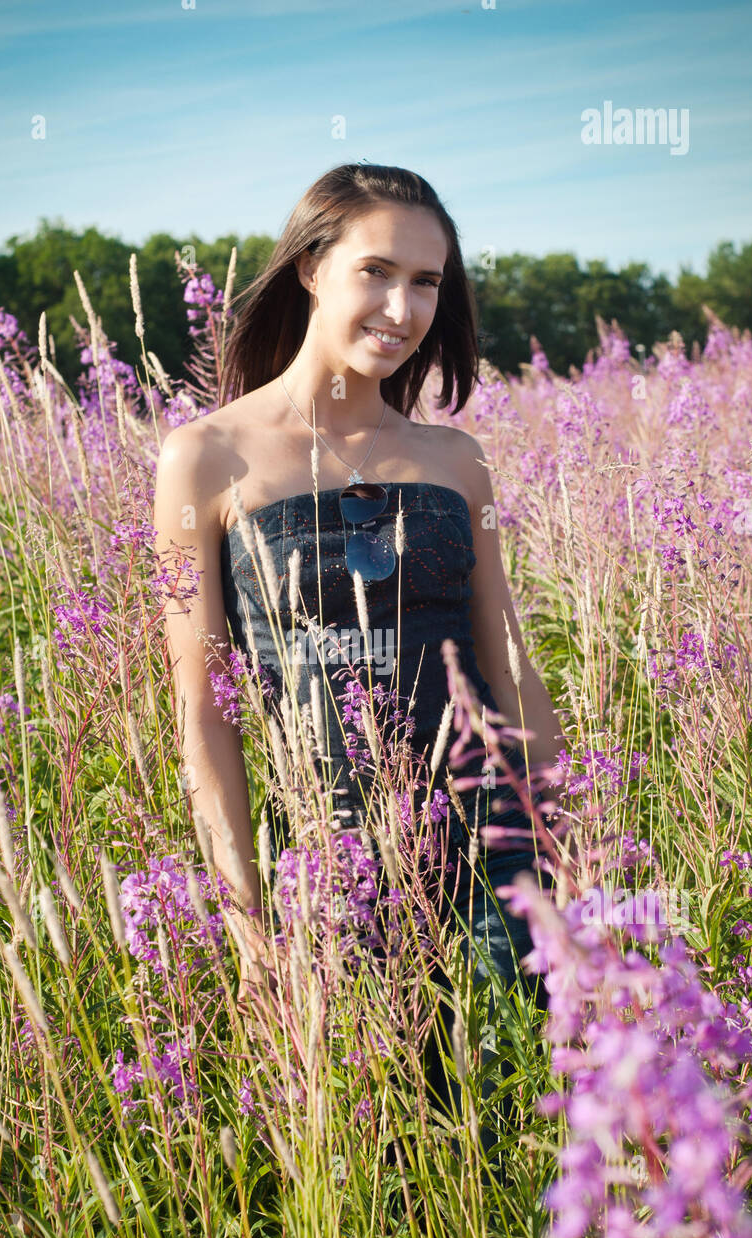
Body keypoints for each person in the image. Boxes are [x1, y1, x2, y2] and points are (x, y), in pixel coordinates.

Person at [153, 162, 566, 1136]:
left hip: (490, 849)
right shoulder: (204, 456)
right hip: (326, 861)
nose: (403, 305)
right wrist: (248, 921)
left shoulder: (454, 462)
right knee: (373, 1149)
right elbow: (202, 710)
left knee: (508, 1132)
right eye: (376, 271)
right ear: (309, 267)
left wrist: (564, 844)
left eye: (426, 282)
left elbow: (505, 661)